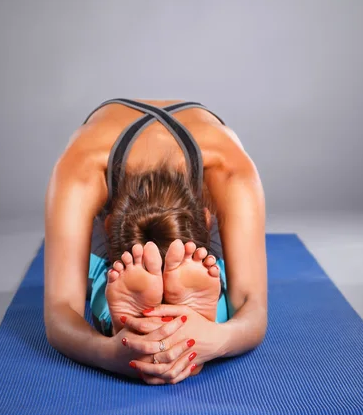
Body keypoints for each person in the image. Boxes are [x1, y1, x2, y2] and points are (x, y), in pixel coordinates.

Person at [44, 98, 267, 385]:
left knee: (103, 273)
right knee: (222, 284)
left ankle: (124, 307)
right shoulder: (232, 171)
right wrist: (223, 338)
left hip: (127, 245)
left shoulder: (79, 169)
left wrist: (109, 352)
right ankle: (191, 311)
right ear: (207, 219)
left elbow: (62, 311)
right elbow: (252, 306)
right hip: (154, 237)